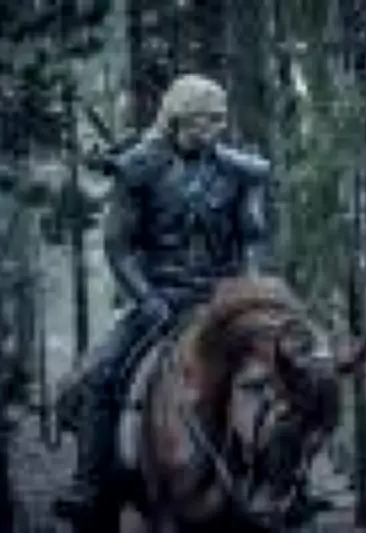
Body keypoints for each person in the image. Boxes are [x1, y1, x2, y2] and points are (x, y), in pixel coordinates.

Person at [54, 73, 271, 521]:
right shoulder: (139, 169)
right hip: (159, 299)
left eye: (219, 119)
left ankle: (282, 485)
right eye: (204, 120)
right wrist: (146, 297)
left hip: (221, 301)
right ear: (177, 120)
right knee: (99, 374)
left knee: (283, 371)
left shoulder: (241, 172)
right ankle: (90, 485)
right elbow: (118, 246)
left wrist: (245, 295)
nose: (214, 129)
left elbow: (251, 241)